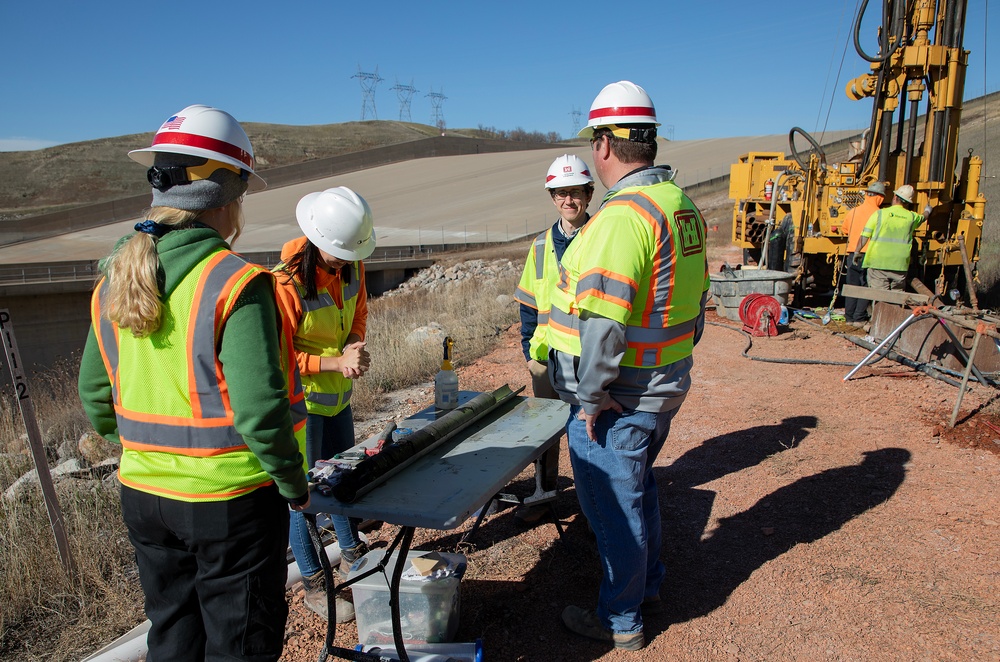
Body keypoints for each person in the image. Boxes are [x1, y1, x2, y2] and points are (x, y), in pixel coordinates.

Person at [78, 104, 310, 661]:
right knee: (239, 648)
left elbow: (95, 397)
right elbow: (259, 411)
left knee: (173, 639)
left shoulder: (117, 276)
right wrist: (293, 483)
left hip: (143, 497)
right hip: (231, 503)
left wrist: (150, 452)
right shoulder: (236, 281)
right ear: (225, 197)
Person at [547, 81, 709, 651]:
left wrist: (592, 398)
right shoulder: (680, 205)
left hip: (622, 395)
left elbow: (603, 326)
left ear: (605, 146)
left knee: (615, 507)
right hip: (664, 382)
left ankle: (621, 620)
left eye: (595, 140)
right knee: (637, 490)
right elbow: (694, 308)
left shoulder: (621, 218)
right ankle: (650, 585)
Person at [273, 186, 376, 623]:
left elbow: (358, 315)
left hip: (338, 401)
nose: (345, 263)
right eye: (337, 256)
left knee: (345, 473)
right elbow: (280, 357)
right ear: (318, 241)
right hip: (303, 407)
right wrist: (334, 361)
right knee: (305, 493)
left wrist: (355, 347)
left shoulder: (352, 264)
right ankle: (315, 580)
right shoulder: (285, 283)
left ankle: (351, 552)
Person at [512, 154, 594, 523]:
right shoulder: (541, 246)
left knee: (592, 430)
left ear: (589, 194)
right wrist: (529, 351)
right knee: (545, 431)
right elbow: (528, 303)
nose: (568, 200)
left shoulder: (602, 237)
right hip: (547, 357)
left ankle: (596, 507)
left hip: (589, 354)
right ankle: (543, 496)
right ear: (552, 197)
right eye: (561, 193)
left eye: (575, 192)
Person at [853, 184, 924, 292]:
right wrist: (928, 210)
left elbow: (865, 235)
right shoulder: (912, 217)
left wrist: (857, 251)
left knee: (880, 297)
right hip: (899, 265)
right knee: (897, 297)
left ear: (895, 197)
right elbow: (923, 217)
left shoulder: (880, 214)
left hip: (878, 263)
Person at [839, 181, 885, 326]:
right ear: (880, 197)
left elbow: (844, 230)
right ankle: (859, 318)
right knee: (865, 286)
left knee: (852, 285)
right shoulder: (879, 214)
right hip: (870, 254)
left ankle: (849, 317)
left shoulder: (853, 211)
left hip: (853, 253)